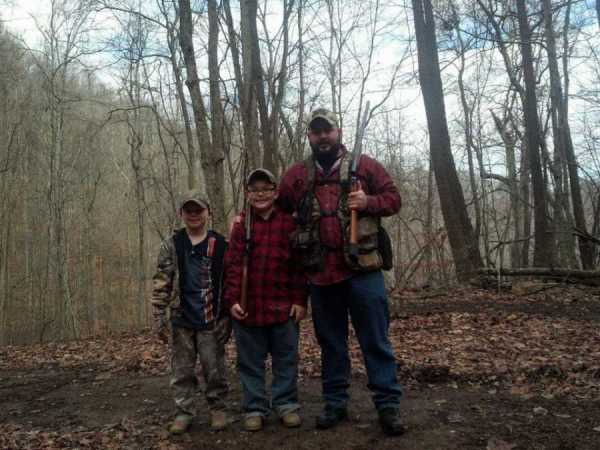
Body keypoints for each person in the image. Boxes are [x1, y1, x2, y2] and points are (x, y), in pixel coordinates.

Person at [278, 108, 406, 436]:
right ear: (308, 136)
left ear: (339, 132)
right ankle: (335, 403)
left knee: (375, 340)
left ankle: (388, 405)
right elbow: (277, 211)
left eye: (328, 130)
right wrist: (245, 218)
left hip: (364, 272)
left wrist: (368, 202)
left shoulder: (365, 167)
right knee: (331, 344)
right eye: (316, 131)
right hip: (320, 275)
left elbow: (394, 200)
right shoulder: (296, 176)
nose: (323, 137)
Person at [224, 168, 308, 432]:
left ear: (275, 192)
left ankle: (286, 404)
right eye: (254, 190)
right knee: (249, 363)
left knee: (286, 359)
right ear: (247, 194)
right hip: (249, 309)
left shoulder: (289, 223)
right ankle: (255, 407)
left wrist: (299, 300)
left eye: (266, 189)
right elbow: (233, 266)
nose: (260, 194)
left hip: (283, 307)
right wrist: (232, 300)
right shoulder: (240, 225)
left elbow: (298, 266)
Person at [151, 190, 231, 434]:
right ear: (181, 214)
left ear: (208, 212)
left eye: (199, 210)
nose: (194, 215)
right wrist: (158, 316)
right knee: (182, 370)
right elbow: (162, 281)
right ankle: (184, 411)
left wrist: (227, 317)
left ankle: (217, 408)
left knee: (214, 368)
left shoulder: (221, 244)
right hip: (181, 319)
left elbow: (231, 282)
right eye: (189, 211)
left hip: (212, 319)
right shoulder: (172, 244)